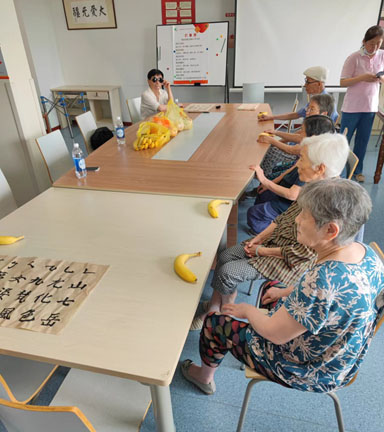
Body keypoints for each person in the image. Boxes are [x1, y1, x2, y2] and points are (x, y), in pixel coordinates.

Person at [181, 178, 384, 396]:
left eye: (304, 215)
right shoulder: (366, 254)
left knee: (214, 323)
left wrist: (247, 311)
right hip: (339, 354)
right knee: (272, 287)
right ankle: (259, 329)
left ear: (330, 230)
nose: (297, 219)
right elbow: (328, 302)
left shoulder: (322, 281)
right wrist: (286, 292)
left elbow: (275, 335)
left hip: (309, 369)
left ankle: (204, 376)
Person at [190, 133, 349, 331]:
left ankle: (222, 313)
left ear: (320, 169)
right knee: (225, 255)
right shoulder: (312, 188)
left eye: (302, 159)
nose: (297, 164)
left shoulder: (328, 205)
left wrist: (260, 251)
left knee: (227, 272)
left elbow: (303, 254)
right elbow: (283, 218)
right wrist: (258, 238)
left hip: (287, 260)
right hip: (273, 244)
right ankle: (217, 304)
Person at [247, 116, 338, 234]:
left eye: (302, 132)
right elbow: (292, 168)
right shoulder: (313, 149)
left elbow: (292, 195)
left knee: (253, 213)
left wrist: (265, 181)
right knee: (263, 193)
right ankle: (270, 218)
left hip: (291, 203)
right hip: (289, 190)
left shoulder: (312, 165)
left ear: (313, 136)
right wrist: (270, 183)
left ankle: (277, 231)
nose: (298, 133)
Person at [340, 25, 384, 183]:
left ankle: (357, 170)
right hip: (352, 107)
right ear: (364, 41)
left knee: (363, 141)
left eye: (379, 43)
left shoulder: (382, 55)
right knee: (343, 140)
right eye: (372, 43)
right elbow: (342, 82)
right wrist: (362, 77)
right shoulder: (354, 57)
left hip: (370, 107)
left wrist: (381, 78)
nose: (375, 47)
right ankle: (339, 170)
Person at [259, 66, 338, 143]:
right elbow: (297, 115)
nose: (305, 85)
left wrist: (277, 142)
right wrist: (271, 117)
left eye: (308, 82)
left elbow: (304, 137)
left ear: (319, 84)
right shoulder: (316, 100)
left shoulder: (324, 103)